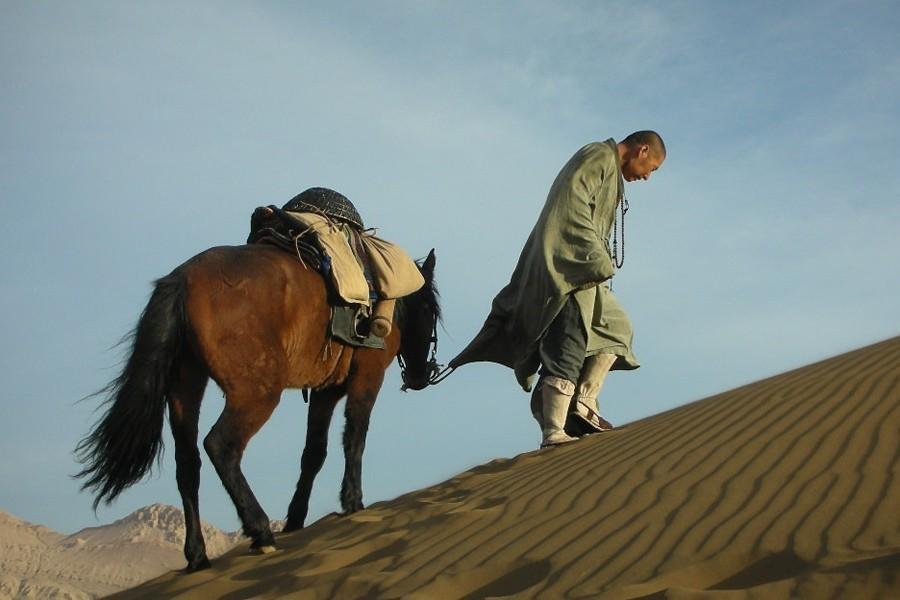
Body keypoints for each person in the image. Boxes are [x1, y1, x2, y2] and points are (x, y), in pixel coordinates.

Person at [449, 131, 665, 447]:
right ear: (642, 150)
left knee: (617, 329)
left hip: (588, 268)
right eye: (652, 168)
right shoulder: (597, 156)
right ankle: (554, 430)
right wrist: (591, 257)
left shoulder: (609, 170)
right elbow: (572, 203)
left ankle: (584, 404)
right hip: (570, 266)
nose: (647, 177)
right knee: (570, 338)